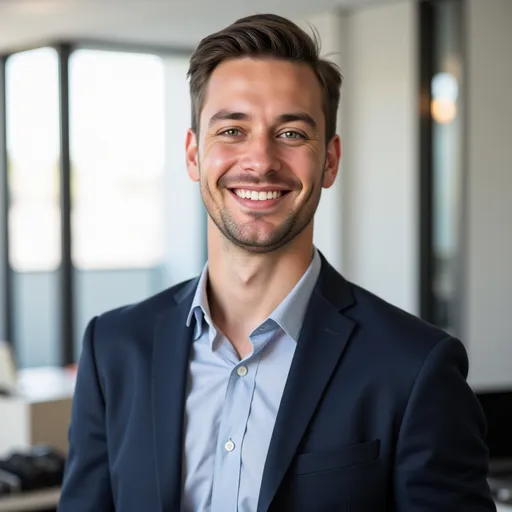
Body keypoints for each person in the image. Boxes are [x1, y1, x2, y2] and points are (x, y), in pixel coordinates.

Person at [58, 13, 495, 512]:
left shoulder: (416, 368)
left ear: (329, 161)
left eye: (290, 133)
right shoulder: (113, 350)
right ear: (193, 154)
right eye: (231, 129)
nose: (260, 159)